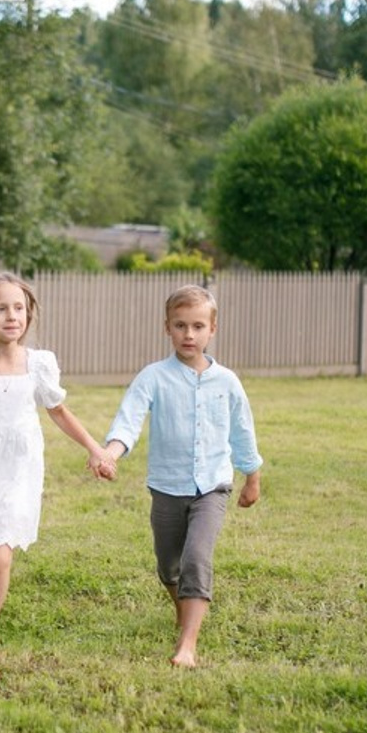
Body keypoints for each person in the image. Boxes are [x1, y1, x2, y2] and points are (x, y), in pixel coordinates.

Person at [0, 273, 115, 658]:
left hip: (17, 472)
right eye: (0, 309)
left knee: (0, 557)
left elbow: (59, 412)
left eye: (19, 308)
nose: (12, 316)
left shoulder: (39, 364)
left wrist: (96, 449)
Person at [102, 284, 262, 668]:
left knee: (196, 558)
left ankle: (188, 644)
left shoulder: (228, 382)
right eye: (180, 326)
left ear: (212, 329)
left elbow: (242, 431)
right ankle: (182, 609)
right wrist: (111, 452)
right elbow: (129, 420)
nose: (189, 334)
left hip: (213, 486)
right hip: (167, 487)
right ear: (167, 328)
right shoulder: (153, 377)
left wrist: (251, 476)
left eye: (197, 326)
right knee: (169, 564)